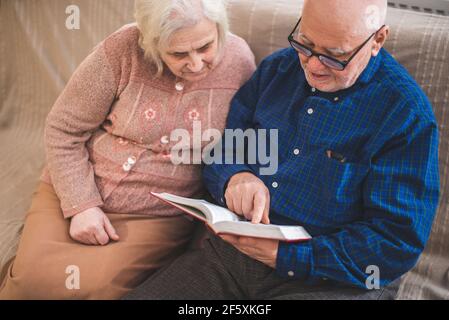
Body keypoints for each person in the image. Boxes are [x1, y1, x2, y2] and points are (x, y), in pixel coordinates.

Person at [123, 0, 440, 300]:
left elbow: (394, 243)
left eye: (334, 55)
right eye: (306, 44)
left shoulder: (405, 114)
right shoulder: (277, 70)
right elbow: (226, 150)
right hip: (235, 257)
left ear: (377, 40)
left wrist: (289, 256)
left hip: (331, 280)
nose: (313, 66)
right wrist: (236, 178)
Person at [0, 0, 256, 299]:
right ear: (150, 43)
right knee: (31, 282)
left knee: (98, 288)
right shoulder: (122, 49)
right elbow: (63, 128)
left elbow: (243, 142)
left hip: (156, 213)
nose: (196, 63)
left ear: (220, 30)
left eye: (205, 47)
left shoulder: (239, 61)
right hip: (72, 186)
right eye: (178, 53)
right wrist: (81, 205)